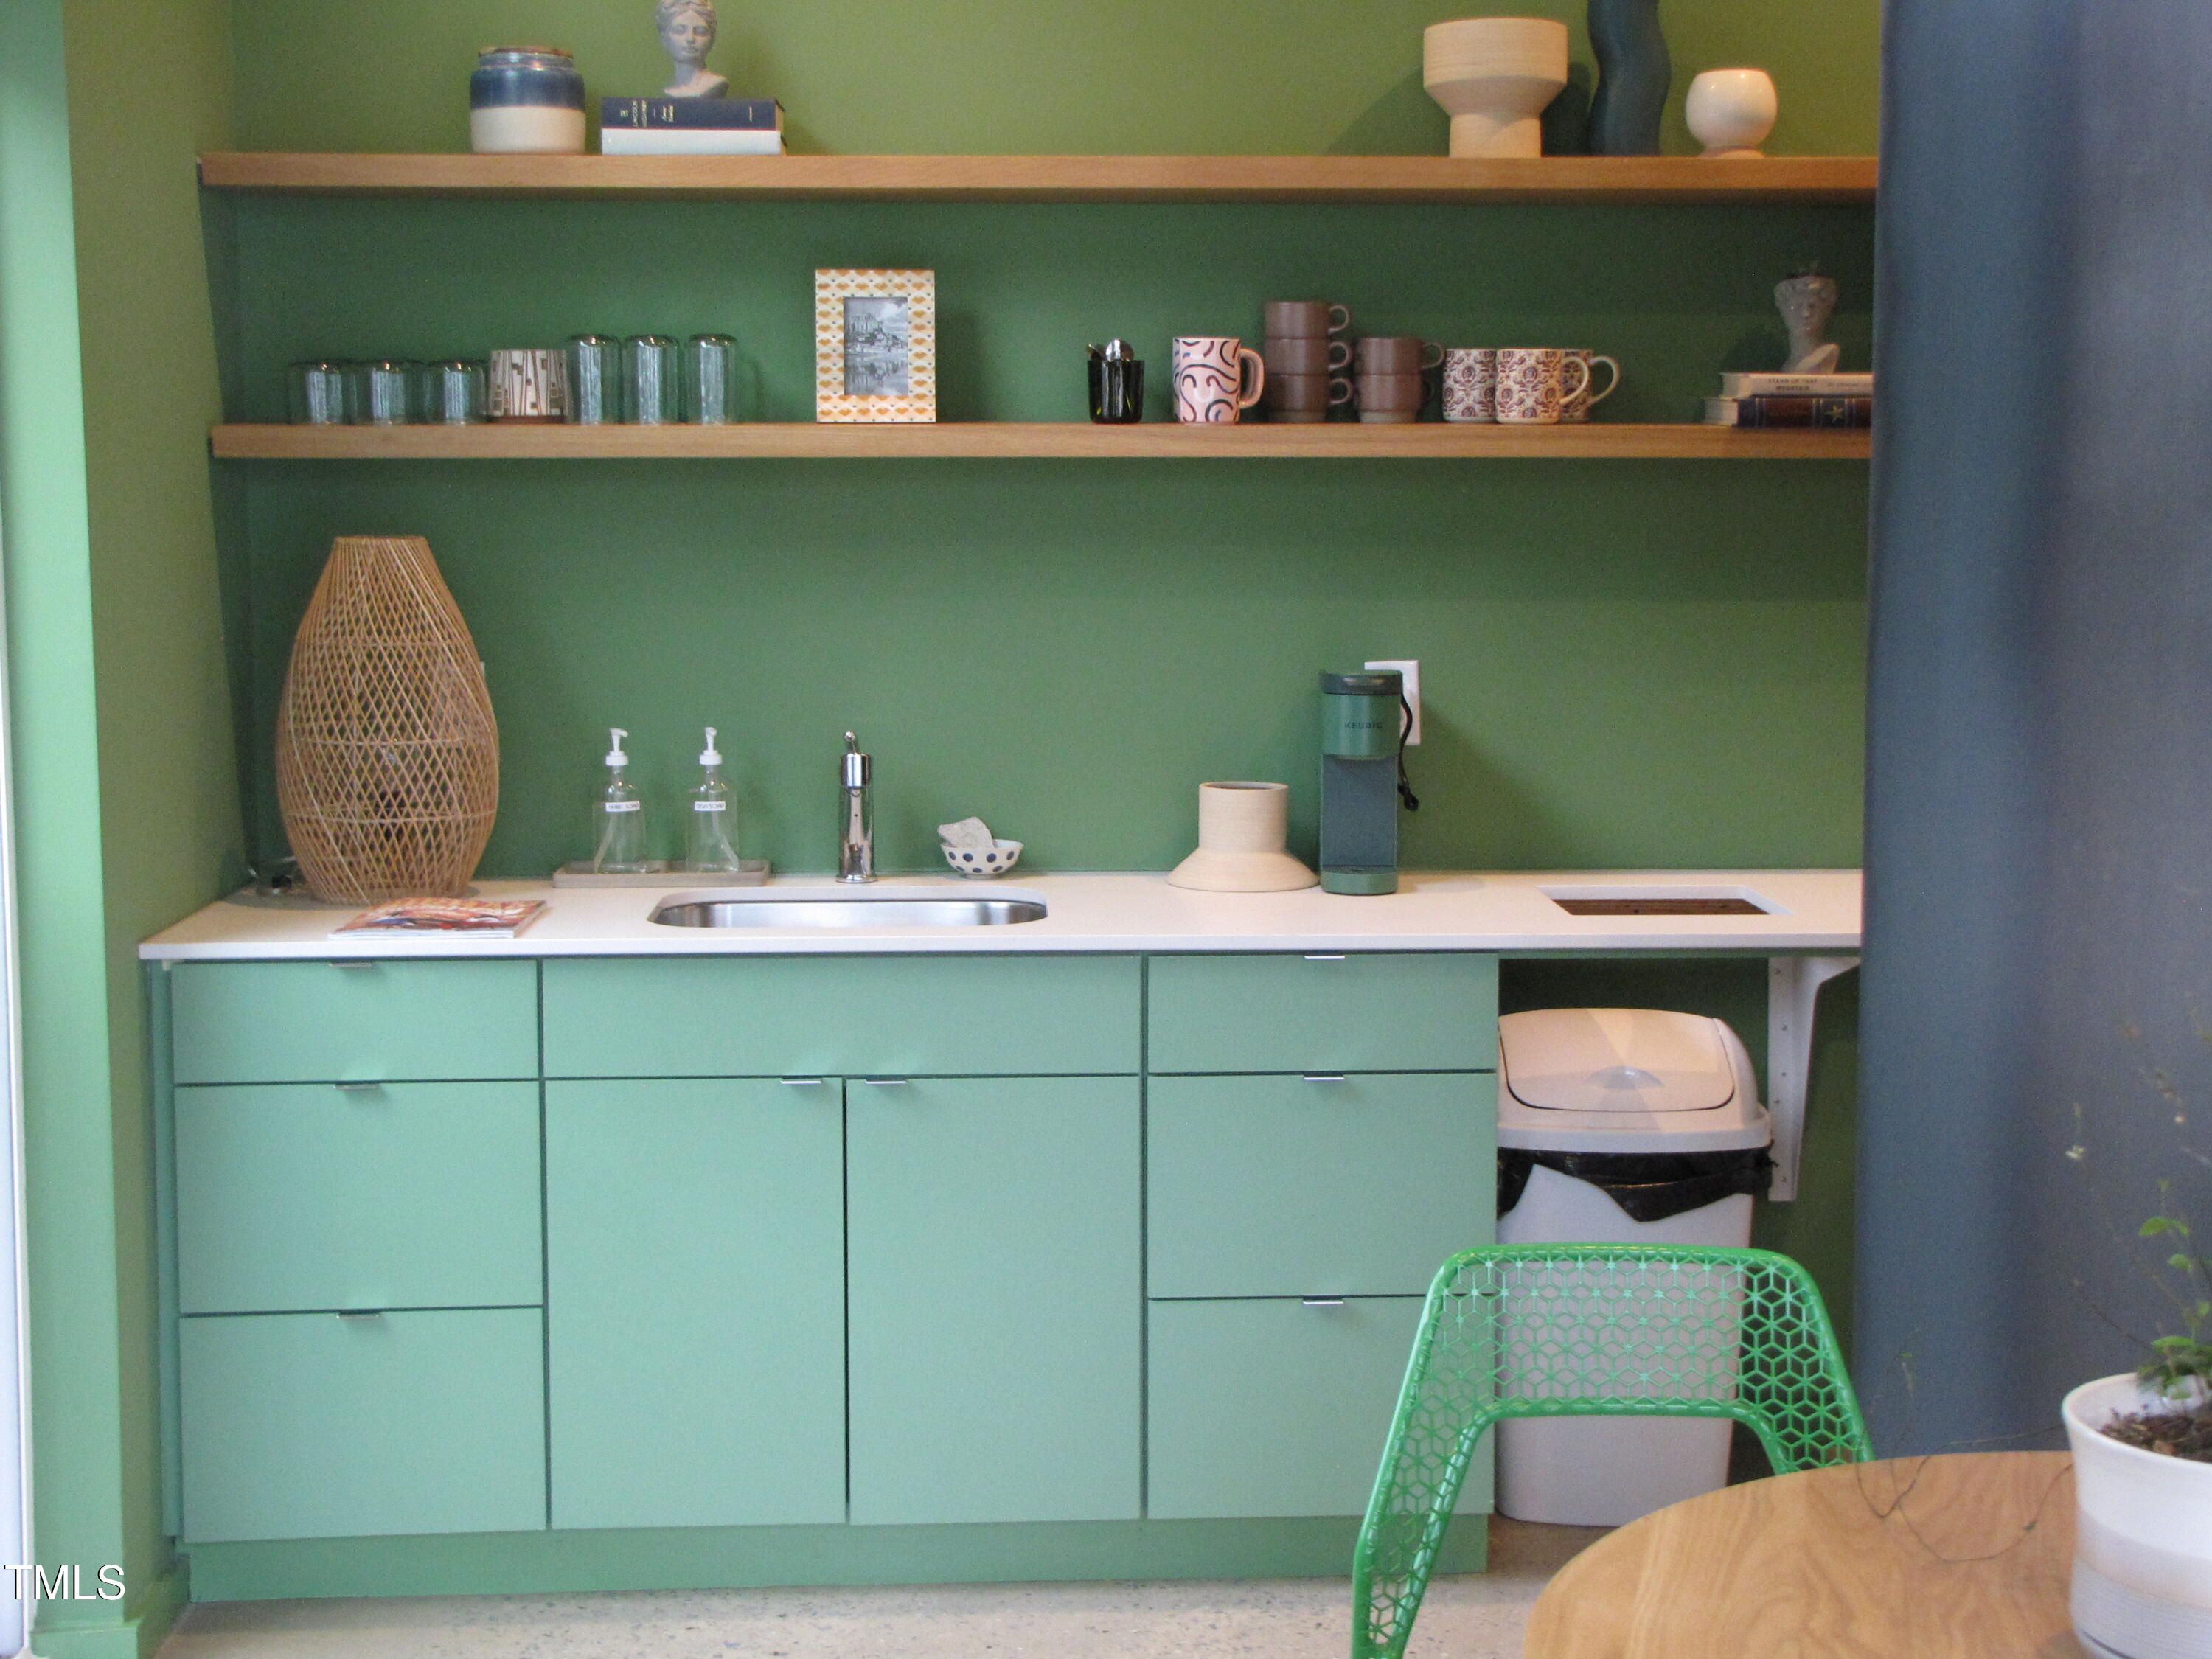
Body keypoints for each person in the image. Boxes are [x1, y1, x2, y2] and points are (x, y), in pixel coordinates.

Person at [658, 0, 729, 99]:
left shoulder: (714, 85)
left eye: (700, 31)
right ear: (664, 39)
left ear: (712, 40)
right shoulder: (670, 90)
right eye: (680, 31)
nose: (690, 39)